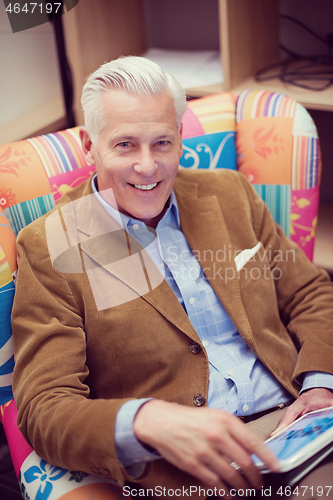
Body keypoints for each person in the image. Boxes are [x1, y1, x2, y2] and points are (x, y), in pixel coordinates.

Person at [12, 56, 333, 499]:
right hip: (185, 472)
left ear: (180, 136)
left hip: (297, 423)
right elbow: (43, 408)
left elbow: (311, 292)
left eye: (162, 142)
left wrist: (321, 385)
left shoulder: (230, 194)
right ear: (90, 145)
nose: (148, 167)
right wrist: (145, 420)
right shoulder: (52, 244)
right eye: (125, 145)